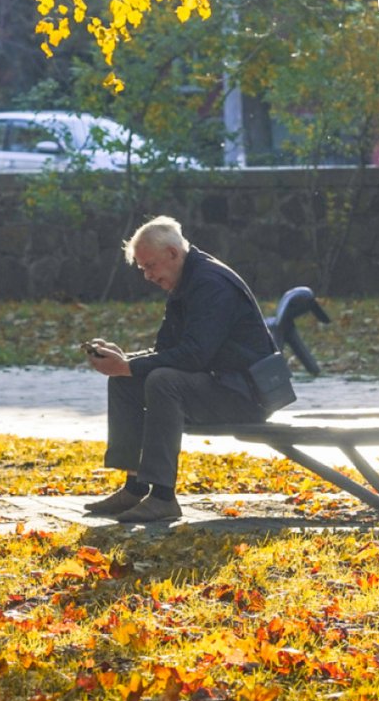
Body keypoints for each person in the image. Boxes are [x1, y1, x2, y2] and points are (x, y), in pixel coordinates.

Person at [81, 216, 274, 522]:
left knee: (162, 380)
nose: (146, 275)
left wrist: (131, 365)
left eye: (150, 266)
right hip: (217, 383)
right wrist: (124, 361)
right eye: (142, 268)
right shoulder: (185, 281)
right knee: (125, 381)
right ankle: (134, 487)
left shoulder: (210, 283)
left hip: (245, 395)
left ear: (172, 253)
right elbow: (166, 351)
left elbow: (194, 356)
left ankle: (162, 496)